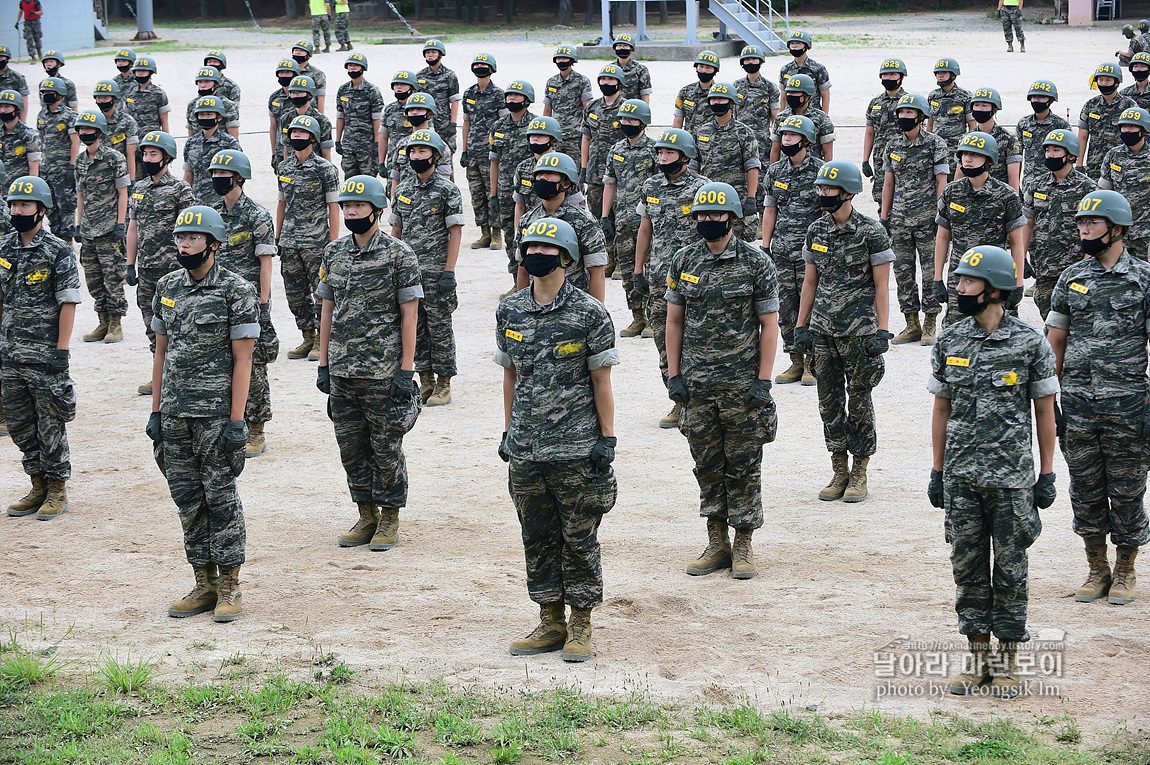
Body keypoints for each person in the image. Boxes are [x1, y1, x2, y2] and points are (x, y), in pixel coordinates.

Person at [929, 245, 1059, 698]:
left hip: (1011, 480)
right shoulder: (950, 340)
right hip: (962, 477)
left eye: (966, 281)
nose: (959, 287)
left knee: (1010, 568)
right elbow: (941, 408)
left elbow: (1045, 413)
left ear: (994, 289)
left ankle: (1006, 662)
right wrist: (937, 471)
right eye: (959, 279)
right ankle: (977, 658)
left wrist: (1046, 473)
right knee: (967, 567)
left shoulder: (1030, 343)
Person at [496, 216, 618, 662]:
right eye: (529, 247)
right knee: (537, 535)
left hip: (576, 447)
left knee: (579, 535)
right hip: (527, 447)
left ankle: (581, 623)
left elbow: (601, 381)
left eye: (545, 249)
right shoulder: (509, 310)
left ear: (565, 257)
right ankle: (550, 619)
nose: (535, 255)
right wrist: (509, 430)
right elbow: (510, 375)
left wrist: (607, 438)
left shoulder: (589, 313)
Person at [149, 205, 259, 623]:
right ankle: (203, 581)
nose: (184, 244)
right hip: (175, 414)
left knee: (221, 499)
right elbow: (161, 352)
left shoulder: (236, 290)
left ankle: (230, 583)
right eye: (180, 238)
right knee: (188, 500)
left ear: (213, 243)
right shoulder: (167, 286)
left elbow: (243, 360)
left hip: (214, 416)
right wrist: (156, 410)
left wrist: (236, 421)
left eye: (193, 238)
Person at [665, 181, 779, 580]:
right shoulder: (682, 261)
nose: (708, 220)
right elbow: (674, 320)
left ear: (731, 217)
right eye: (702, 214)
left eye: (715, 214)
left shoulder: (755, 262)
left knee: (744, 465)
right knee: (707, 465)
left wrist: (763, 380)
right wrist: (673, 374)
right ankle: (716, 542)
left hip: (742, 385)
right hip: (698, 386)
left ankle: (744, 542)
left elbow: (768, 325)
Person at [1047, 190, 1150, 606]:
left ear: (1117, 229)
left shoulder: (1143, 279)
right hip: (1077, 406)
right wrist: (1049, 399)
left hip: (1128, 406)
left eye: (1092, 222)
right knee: (1086, 489)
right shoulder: (1071, 278)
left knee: (1127, 491)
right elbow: (1054, 342)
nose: (1083, 229)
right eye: (1080, 223)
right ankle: (1097, 567)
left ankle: (1126, 568)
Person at [316, 175, 422, 551]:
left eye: (358, 205)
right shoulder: (334, 253)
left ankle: (390, 516)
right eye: (346, 206)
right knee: (351, 447)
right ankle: (366, 514)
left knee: (386, 446)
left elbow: (410, 315)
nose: (351, 211)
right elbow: (327, 309)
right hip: (344, 369)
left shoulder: (399, 254)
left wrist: (407, 370)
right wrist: (324, 362)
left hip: (383, 370)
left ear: (377, 210)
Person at [794, 160, 893, 503]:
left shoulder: (871, 232)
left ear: (848, 192)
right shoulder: (815, 231)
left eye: (829, 189)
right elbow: (810, 281)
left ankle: (860, 470)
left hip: (859, 332)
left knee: (860, 401)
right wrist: (801, 326)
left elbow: (882, 286)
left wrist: (882, 330)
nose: (823, 194)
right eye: (820, 188)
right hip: (823, 331)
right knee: (828, 403)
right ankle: (839, 468)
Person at [2, 175, 79, 521]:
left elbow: (68, 303)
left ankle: (57, 487)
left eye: (25, 204)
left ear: (41, 210)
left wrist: (61, 351)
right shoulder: (4, 248)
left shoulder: (58, 251)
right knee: (19, 424)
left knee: (49, 423)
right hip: (10, 352)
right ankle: (37, 483)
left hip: (44, 354)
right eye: (14, 204)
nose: (18, 210)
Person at [633, 128, 710, 428]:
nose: (663, 157)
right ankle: (678, 401)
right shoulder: (650, 186)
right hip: (660, 281)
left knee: (698, 340)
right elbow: (645, 229)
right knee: (665, 342)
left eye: (669, 153)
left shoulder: (703, 189)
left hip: (694, 281)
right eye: (661, 153)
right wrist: (639, 269)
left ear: (685, 156)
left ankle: (701, 403)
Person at [210, 149, 279, 458]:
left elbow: (266, 263)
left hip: (248, 303)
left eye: (223, 175)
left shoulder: (257, 215)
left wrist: (263, 306)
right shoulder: (211, 214)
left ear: (239, 178)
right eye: (214, 175)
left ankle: (256, 428)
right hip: (216, 300)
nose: (217, 180)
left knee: (254, 367)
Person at [389, 130, 463, 406]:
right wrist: (392, 267)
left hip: (436, 272)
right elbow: (396, 229)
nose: (417, 157)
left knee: (439, 327)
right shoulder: (403, 189)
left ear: (435, 155)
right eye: (413, 152)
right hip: (409, 273)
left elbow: (455, 232)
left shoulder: (447, 189)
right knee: (413, 326)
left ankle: (444, 382)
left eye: (422, 152)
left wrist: (449, 272)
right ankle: (426, 378)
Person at [932, 131, 1026, 326]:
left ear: (989, 159)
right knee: (956, 332)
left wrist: (1018, 283)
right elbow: (942, 237)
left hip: (995, 278)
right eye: (964, 154)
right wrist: (937, 278)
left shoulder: (1006, 195)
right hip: (960, 277)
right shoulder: (951, 192)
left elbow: (1017, 243)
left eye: (975, 154)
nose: (968, 159)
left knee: (1000, 332)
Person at [126, 130, 194, 396]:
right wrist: (130, 264)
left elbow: (189, 232)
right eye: (144, 153)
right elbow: (133, 228)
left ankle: (182, 374)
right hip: (146, 270)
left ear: (167, 157)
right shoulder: (139, 189)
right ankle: (161, 372)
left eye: (153, 153)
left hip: (174, 270)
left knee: (178, 322)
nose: (147, 158)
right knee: (151, 323)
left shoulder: (180, 190)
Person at [880, 92, 949, 346]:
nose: (903, 117)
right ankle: (911, 323)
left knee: (931, 271)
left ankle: (930, 321)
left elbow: (942, 181)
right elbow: (889, 183)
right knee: (903, 271)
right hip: (899, 220)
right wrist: (884, 216)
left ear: (921, 116)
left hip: (928, 220)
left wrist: (941, 214)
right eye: (901, 113)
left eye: (909, 113)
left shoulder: (935, 144)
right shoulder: (893, 145)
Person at [762, 114, 823, 385]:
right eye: (784, 135)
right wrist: (765, 245)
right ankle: (795, 360)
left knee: (811, 306)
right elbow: (770, 209)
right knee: (786, 308)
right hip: (783, 253)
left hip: (811, 253)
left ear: (806, 140)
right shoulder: (775, 172)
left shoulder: (821, 171)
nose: (786, 139)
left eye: (792, 135)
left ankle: (813, 362)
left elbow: (827, 213)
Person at [276, 114, 340, 362]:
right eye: (293, 133)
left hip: (316, 242)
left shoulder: (325, 169)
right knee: (294, 292)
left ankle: (322, 340)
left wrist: (333, 243)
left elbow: (333, 207)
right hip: (290, 241)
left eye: (302, 134)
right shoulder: (284, 168)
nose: (296, 137)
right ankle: (307, 336)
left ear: (312, 138)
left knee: (320, 292)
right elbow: (282, 204)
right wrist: (279, 236)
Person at [1021, 129, 1097, 319]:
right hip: (1044, 267)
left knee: (1078, 321)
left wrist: (1088, 262)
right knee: (1050, 320)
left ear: (1070, 154)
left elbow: (1096, 229)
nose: (1050, 155)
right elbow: (1027, 224)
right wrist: (1020, 257)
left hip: (1077, 269)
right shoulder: (1036, 186)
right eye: (1047, 150)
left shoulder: (1087, 188)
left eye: (1056, 150)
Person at [514, 152, 608, 302]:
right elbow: (522, 269)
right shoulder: (527, 221)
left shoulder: (584, 221)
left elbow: (597, 271)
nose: (542, 178)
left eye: (550, 173)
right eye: (539, 174)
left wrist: (596, 314)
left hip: (573, 306)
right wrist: (522, 307)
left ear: (565, 183)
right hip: (536, 305)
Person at [74, 109, 130, 345]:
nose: (85, 133)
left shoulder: (114, 158)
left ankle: (116, 322)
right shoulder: (79, 160)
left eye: (89, 129)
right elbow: (80, 195)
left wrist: (120, 224)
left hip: (109, 229)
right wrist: (77, 224)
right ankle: (103, 320)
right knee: (93, 278)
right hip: (88, 229)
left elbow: (123, 192)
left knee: (113, 277)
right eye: (81, 129)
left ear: (99, 131)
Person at [602, 99, 658, 337]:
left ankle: (654, 319)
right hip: (623, 222)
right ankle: (637, 317)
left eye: (632, 120)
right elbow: (610, 184)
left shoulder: (655, 150)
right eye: (624, 119)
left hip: (650, 223)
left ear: (643, 122)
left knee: (651, 270)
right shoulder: (616, 150)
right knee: (628, 271)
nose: (627, 123)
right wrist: (605, 216)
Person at [691, 82, 760, 241]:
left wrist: (751, 198)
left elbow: (752, 166)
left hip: (736, 199)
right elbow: (694, 165)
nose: (717, 102)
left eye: (722, 99)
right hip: (706, 199)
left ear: (732, 102)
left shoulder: (744, 133)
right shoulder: (702, 131)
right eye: (713, 99)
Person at [489, 80, 538, 289]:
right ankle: (518, 283)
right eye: (509, 96)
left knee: (535, 236)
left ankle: (538, 283)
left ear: (527, 100)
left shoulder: (537, 125)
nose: (511, 99)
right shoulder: (498, 126)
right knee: (511, 237)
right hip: (506, 192)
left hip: (531, 192)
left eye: (516, 96)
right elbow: (494, 162)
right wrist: (493, 194)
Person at [461, 53, 505, 250]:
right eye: (476, 64)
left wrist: (500, 150)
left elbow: (504, 124)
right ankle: (484, 233)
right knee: (476, 193)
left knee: (492, 192)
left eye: (483, 65)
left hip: (490, 153)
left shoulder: (499, 95)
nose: (480, 67)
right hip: (473, 153)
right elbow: (466, 123)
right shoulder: (468, 94)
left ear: (492, 69)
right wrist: (464, 150)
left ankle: (497, 234)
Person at [1098, 105, 1150, 260]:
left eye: (1132, 126)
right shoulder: (1113, 156)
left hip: (1146, 233)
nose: (1127, 130)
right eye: (1124, 126)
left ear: (1144, 130)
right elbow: (1104, 192)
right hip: (1119, 230)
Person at [582, 66, 626, 229]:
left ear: (619, 83)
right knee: (595, 218)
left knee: (618, 221)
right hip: (595, 173)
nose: (606, 82)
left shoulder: (627, 108)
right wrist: (584, 168)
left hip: (619, 174)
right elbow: (586, 138)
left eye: (610, 79)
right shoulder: (592, 107)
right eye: (603, 79)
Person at [34, 77, 78, 243]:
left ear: (60, 95)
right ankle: (56, 237)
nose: (47, 95)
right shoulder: (42, 114)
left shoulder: (69, 116)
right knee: (50, 206)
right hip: (47, 169)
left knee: (66, 205)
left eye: (50, 93)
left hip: (64, 169)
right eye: (44, 93)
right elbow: (42, 140)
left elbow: (75, 141)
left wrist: (71, 166)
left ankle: (67, 240)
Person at [1079, 63, 1136, 180]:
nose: (1104, 83)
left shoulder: (1130, 106)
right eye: (1100, 80)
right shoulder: (1090, 105)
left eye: (1108, 80)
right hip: (1095, 167)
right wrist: (1079, 165)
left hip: (1122, 165)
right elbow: (1082, 137)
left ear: (1117, 82)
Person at [510, 116, 565, 237]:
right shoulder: (523, 168)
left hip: (557, 230)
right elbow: (519, 205)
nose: (535, 139)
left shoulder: (564, 166)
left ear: (554, 140)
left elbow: (574, 203)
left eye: (541, 136)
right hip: (530, 228)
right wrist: (517, 234)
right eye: (532, 135)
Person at [862, 59, 907, 205]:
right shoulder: (875, 103)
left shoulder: (909, 101)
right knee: (882, 197)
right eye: (885, 75)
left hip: (904, 157)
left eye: (893, 74)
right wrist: (865, 160)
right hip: (880, 159)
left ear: (901, 77)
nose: (888, 78)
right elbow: (870, 133)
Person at [182, 96, 242, 205]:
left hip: (222, 204)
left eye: (209, 114)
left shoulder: (230, 143)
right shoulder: (191, 143)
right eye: (201, 114)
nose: (205, 118)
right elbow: (188, 175)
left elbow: (238, 178)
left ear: (219, 117)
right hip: (197, 203)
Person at [387, 93, 452, 190]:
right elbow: (396, 180)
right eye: (411, 110)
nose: (414, 113)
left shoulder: (440, 145)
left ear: (430, 114)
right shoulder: (402, 144)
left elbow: (445, 182)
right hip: (404, 201)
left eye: (419, 109)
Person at [734, 44, 781, 176]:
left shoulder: (770, 87)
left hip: (762, 142)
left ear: (760, 61)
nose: (750, 62)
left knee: (762, 177)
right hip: (740, 140)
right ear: (742, 62)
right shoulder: (736, 87)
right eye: (747, 59)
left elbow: (775, 117)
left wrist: (777, 139)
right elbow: (733, 115)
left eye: (754, 59)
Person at [336, 52, 384, 179]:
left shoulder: (372, 90)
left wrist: (376, 142)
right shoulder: (343, 90)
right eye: (350, 65)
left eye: (356, 66)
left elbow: (377, 119)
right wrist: (337, 140)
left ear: (363, 68)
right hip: (348, 144)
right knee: (350, 179)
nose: (352, 68)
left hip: (367, 145)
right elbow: (340, 117)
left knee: (368, 179)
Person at [926, 58, 975, 178]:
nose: (940, 75)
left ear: (953, 75)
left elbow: (972, 124)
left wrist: (968, 149)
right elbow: (930, 124)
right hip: (936, 147)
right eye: (938, 73)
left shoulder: (964, 96)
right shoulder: (933, 96)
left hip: (955, 148)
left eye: (944, 72)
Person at [543, 45, 592, 167]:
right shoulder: (551, 82)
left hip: (575, 136)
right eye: (558, 59)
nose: (561, 61)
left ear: (572, 60)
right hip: (556, 136)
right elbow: (547, 109)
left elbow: (588, 107)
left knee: (576, 171)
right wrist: (545, 131)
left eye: (564, 58)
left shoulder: (582, 81)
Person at [769, 74, 834, 163]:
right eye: (789, 92)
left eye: (795, 92)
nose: (791, 95)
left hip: (812, 171)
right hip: (785, 172)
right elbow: (775, 150)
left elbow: (828, 153)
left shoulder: (821, 119)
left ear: (807, 96)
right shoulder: (781, 118)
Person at [967, 87, 1021, 192]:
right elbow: (959, 176)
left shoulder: (1009, 140)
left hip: (999, 197)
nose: (979, 109)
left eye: (984, 105)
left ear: (995, 109)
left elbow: (1013, 178)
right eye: (976, 105)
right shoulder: (967, 139)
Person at [1016, 80, 1071, 180]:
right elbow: (1018, 157)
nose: (1037, 101)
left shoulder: (1061, 125)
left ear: (1051, 100)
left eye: (1042, 97)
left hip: (1053, 182)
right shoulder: (1023, 124)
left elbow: (1069, 157)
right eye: (1034, 97)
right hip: (1029, 182)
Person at [416, 39, 461, 157]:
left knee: (445, 156)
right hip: (425, 122)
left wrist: (453, 124)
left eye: (433, 52)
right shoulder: (420, 75)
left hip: (443, 123)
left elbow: (455, 101)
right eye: (427, 52)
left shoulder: (449, 75)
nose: (430, 55)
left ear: (440, 54)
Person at [276, 75, 333, 165]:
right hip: (292, 168)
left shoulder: (322, 121)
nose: (296, 96)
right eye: (293, 93)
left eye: (300, 92)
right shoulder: (285, 119)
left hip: (314, 169)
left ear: (310, 94)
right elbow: (286, 148)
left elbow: (326, 152)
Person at [378, 69, 418, 192]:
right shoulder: (390, 109)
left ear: (412, 87)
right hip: (394, 161)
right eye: (396, 85)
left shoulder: (420, 108)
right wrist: (381, 163)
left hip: (414, 160)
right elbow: (383, 136)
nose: (398, 87)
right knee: (393, 192)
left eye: (403, 84)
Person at [93, 80, 139, 180]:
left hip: (121, 174)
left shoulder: (128, 122)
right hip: (99, 174)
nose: (102, 101)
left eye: (105, 97)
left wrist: (131, 180)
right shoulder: (93, 122)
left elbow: (131, 154)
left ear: (114, 99)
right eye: (99, 98)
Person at [778, 30, 831, 114]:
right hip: (791, 116)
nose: (794, 46)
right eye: (792, 43)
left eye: (798, 43)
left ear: (806, 46)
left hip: (813, 115)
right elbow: (783, 97)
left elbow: (825, 95)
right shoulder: (785, 70)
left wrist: (824, 117)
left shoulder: (818, 69)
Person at [672, 50, 721, 139]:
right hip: (690, 142)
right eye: (701, 66)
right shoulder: (685, 92)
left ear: (715, 70)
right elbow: (678, 119)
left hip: (712, 144)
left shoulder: (720, 94)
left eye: (708, 67)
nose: (704, 71)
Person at [184, 67, 239, 140]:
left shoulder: (227, 105)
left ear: (216, 84)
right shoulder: (192, 104)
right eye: (200, 82)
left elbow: (234, 137)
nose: (203, 85)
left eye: (207, 81)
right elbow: (190, 135)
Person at [0, 89, 39, 183]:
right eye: (0, 106)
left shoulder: (29, 135)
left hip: (18, 188)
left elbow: (34, 168)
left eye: (7, 107)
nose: (2, 111)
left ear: (17, 109)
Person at [268, 59, 300, 172]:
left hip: (299, 148)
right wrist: (273, 153)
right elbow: (273, 126)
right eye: (281, 73)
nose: (284, 75)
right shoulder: (274, 97)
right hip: (280, 149)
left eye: (287, 72)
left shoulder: (302, 96)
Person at [610, 33, 652, 104]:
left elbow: (645, 96)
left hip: (633, 110)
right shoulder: (610, 69)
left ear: (632, 49)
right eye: (619, 45)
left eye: (625, 45)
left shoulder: (641, 70)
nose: (622, 48)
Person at [290, 40, 327, 112]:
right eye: (295, 50)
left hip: (309, 112)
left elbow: (321, 97)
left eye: (301, 51)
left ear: (308, 55)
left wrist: (321, 117)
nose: (297, 52)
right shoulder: (288, 72)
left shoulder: (317, 73)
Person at [0, 45, 27, 121]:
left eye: (2, 57)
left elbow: (23, 101)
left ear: (7, 58)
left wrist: (23, 121)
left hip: (11, 119)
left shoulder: (17, 78)